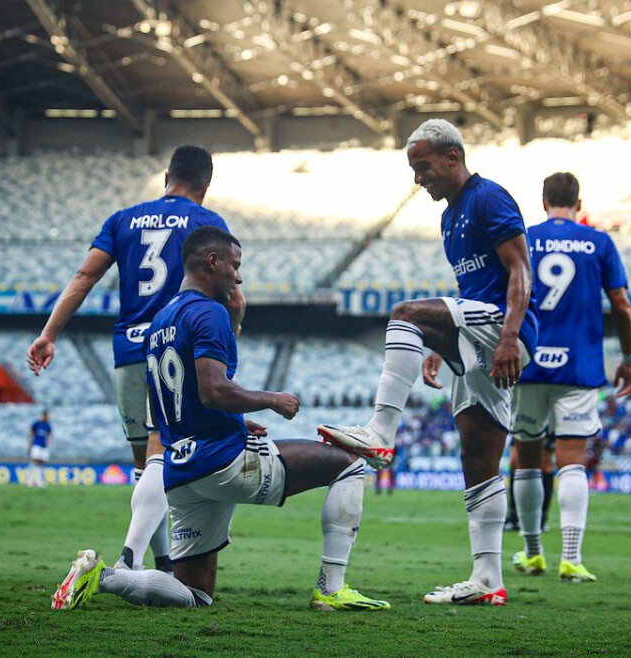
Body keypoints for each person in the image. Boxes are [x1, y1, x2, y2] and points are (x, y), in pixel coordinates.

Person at [51, 227, 388, 613]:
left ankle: (104, 576)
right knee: (349, 466)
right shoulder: (209, 312)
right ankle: (331, 590)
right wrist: (272, 400)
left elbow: (171, 406)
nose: (239, 276)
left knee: (195, 595)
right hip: (224, 462)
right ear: (212, 262)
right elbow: (213, 390)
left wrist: (239, 422)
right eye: (235, 265)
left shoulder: (160, 321)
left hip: (181, 471)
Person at [319, 119, 538, 606]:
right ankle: (488, 580)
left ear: (452, 157)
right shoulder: (448, 217)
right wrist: (443, 346)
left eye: (423, 167)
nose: (418, 179)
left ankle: (381, 430)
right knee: (477, 458)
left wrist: (509, 337)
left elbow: (520, 269)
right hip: (480, 332)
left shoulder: (490, 198)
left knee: (405, 315)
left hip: (504, 328)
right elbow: (468, 295)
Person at [27, 146, 242, 574]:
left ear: (166, 175)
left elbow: (85, 276)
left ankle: (161, 563)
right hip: (176, 349)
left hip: (128, 350)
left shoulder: (122, 219)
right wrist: (230, 334)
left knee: (146, 464)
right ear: (207, 185)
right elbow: (232, 293)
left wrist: (49, 334)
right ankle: (130, 559)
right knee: (166, 458)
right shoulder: (207, 223)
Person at [510, 172, 631, 583]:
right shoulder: (598, 242)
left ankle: (532, 553)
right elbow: (622, 305)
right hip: (579, 366)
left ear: (543, 200)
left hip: (527, 362)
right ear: (579, 204)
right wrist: (628, 357)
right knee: (572, 462)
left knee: (527, 460)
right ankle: (572, 558)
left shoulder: (524, 237)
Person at [27, 409, 53, 488]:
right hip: (36, 445)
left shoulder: (48, 425)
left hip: (44, 446)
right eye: (46, 415)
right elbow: (31, 433)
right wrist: (29, 445)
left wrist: (50, 441)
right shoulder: (36, 424)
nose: (48, 417)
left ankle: (39, 481)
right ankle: (29, 480)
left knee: (41, 463)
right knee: (34, 461)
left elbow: (50, 434)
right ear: (43, 415)